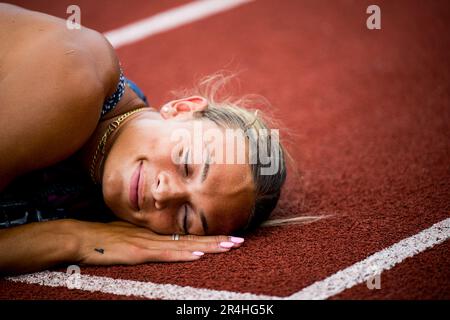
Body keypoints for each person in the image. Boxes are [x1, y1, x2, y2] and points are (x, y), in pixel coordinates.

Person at [0, 3, 286, 275]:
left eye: (185, 219)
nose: (164, 194)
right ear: (182, 109)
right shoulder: (76, 80)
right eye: (185, 162)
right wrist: (71, 238)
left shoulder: (99, 196)